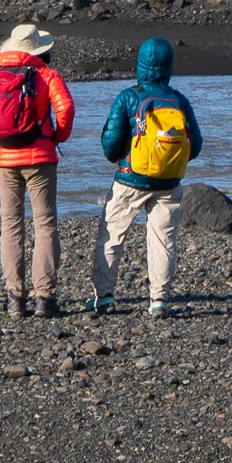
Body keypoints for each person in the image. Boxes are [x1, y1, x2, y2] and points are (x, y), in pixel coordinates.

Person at [0, 22, 76, 319]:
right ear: (39, 51)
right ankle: (45, 299)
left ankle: (14, 300)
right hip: (40, 158)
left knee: (11, 226)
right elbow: (66, 109)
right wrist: (57, 137)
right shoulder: (47, 76)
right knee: (45, 225)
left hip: (4, 159)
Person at [93, 36, 202, 318]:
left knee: (112, 237)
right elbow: (196, 144)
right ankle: (158, 302)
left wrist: (119, 159)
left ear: (140, 64)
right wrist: (171, 163)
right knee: (163, 241)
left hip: (129, 179)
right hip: (169, 183)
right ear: (169, 66)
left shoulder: (129, 97)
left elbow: (110, 141)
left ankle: (105, 298)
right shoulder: (178, 99)